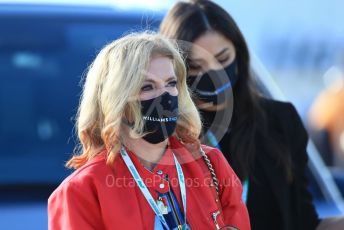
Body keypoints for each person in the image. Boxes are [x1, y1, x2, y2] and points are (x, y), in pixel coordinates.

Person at [160, 1, 344, 230]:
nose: (215, 75)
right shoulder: (161, 136)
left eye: (223, 59)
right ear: (175, 70)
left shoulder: (279, 121)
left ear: (239, 55)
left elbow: (304, 221)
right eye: (197, 66)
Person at [48, 31, 250, 230]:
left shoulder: (211, 163)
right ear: (116, 100)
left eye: (171, 84)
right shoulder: (82, 190)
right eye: (147, 87)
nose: (165, 96)